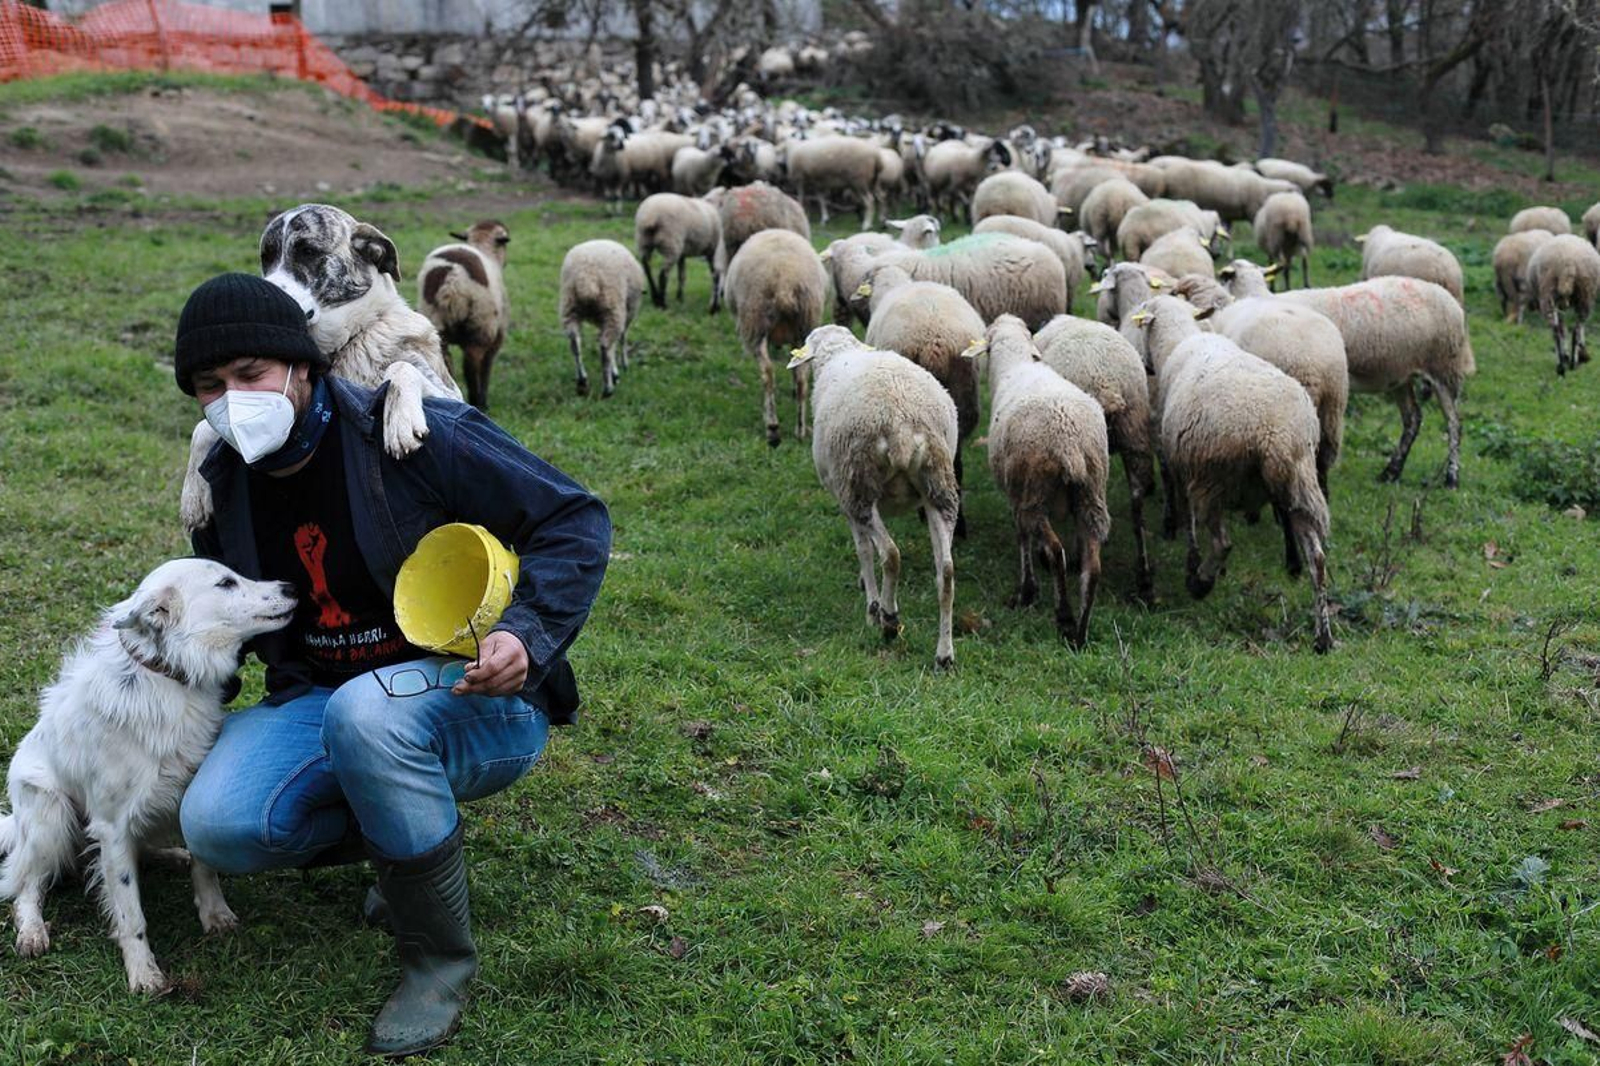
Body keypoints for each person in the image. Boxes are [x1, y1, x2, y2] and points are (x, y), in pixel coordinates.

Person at [171, 273, 611, 1057]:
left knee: (367, 714)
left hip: (473, 692)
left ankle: (437, 959)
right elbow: (229, 623)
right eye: (210, 385)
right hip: (323, 695)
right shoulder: (224, 485)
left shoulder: (407, 432)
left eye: (251, 375)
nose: (232, 398)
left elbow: (572, 517)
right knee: (219, 825)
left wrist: (526, 634)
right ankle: (401, 829)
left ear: (302, 368)